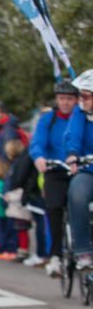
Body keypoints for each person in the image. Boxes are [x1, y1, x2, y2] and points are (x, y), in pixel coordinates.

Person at [28, 80, 84, 277]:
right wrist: (39, 157)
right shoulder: (48, 120)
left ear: (77, 100)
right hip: (55, 170)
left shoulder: (82, 118)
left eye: (70, 99)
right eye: (62, 98)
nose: (66, 103)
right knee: (53, 208)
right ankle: (55, 257)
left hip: (80, 170)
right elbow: (37, 143)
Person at [63, 77, 93, 270]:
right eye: (80, 95)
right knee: (78, 196)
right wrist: (73, 155)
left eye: (85, 95)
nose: (81, 100)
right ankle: (82, 250)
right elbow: (73, 135)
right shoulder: (80, 114)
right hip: (88, 170)